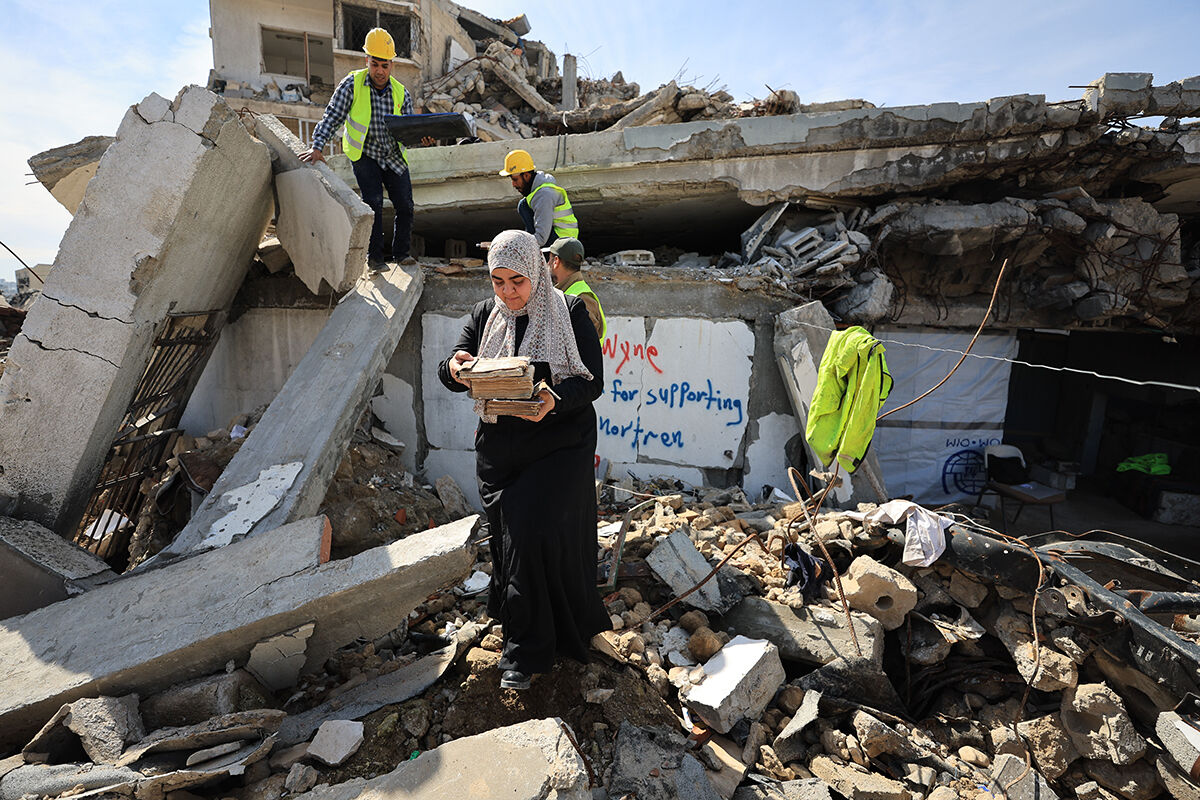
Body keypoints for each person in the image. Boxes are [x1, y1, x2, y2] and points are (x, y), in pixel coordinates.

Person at [438, 229, 608, 690]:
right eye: (498, 281)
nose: (508, 292)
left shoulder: (569, 311)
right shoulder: (483, 315)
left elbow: (592, 383)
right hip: (500, 451)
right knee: (509, 541)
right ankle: (519, 620)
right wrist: (456, 367)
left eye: (517, 280)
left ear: (535, 270)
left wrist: (554, 398)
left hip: (557, 447)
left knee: (530, 535)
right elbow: (450, 370)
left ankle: (526, 655)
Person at [302, 27, 414, 266]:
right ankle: (374, 259)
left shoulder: (402, 93)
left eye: (385, 66)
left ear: (392, 65)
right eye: (375, 64)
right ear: (367, 61)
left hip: (392, 155)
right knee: (372, 202)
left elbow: (409, 131)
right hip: (364, 155)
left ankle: (402, 254)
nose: (380, 71)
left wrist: (421, 138)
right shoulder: (351, 84)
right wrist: (317, 146)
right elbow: (332, 116)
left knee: (405, 204)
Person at [499, 149, 579, 247]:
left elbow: (541, 239)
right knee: (524, 204)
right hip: (561, 239)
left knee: (523, 206)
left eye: (515, 179)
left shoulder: (544, 195)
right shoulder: (538, 193)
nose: (513, 184)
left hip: (564, 243)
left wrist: (518, 247)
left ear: (527, 176)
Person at [545, 237, 605, 341]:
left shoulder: (582, 297)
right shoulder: (566, 291)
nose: (547, 264)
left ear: (556, 261)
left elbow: (586, 345)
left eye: (549, 259)